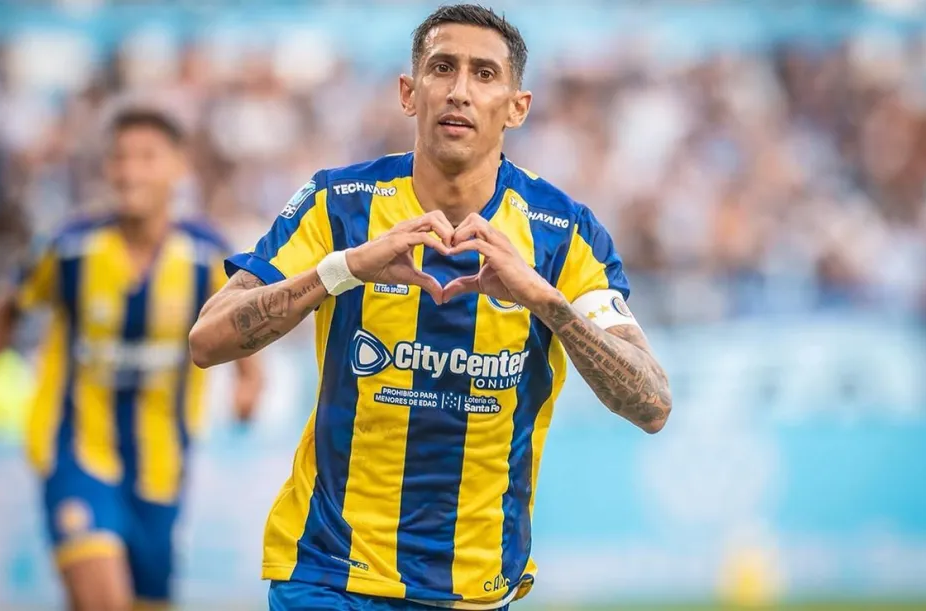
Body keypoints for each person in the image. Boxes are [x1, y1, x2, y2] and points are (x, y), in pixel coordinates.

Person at [189, 4, 671, 610]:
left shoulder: (563, 234)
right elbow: (207, 340)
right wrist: (345, 269)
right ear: (409, 93)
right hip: (329, 572)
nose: (460, 91)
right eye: (442, 68)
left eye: (485, 74)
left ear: (517, 107)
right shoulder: (340, 204)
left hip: (474, 586)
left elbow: (653, 403)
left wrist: (546, 302)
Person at [0, 108, 264, 611]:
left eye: (146, 157)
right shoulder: (71, 247)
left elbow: (244, 321)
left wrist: (249, 381)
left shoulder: (205, 255)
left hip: (161, 466)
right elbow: (2, 315)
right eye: (119, 158)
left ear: (178, 167)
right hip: (75, 453)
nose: (129, 171)